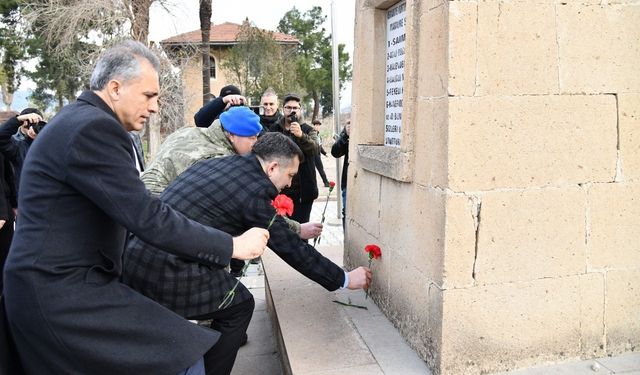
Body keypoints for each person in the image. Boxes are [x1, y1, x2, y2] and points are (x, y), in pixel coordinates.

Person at [2, 40, 269, 375]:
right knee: (183, 358)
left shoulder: (81, 120)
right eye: (148, 95)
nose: (155, 107)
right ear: (115, 88)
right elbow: (146, 215)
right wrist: (232, 245)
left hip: (60, 287)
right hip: (59, 294)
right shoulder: (94, 128)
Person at [123, 132, 372, 375]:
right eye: (290, 175)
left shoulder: (220, 163)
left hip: (136, 256)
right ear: (273, 167)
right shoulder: (254, 192)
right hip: (164, 272)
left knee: (226, 297)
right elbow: (292, 249)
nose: (289, 184)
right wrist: (345, 280)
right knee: (240, 305)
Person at [267, 93, 319, 223]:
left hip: (302, 191)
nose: (292, 111)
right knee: (281, 228)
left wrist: (301, 136)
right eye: (288, 107)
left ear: (300, 110)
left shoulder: (308, 130)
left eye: (295, 108)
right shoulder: (274, 129)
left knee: (302, 229)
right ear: (283, 109)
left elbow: (315, 149)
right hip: (280, 189)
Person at [0, 108, 46, 198]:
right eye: (28, 126)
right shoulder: (18, 147)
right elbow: (1, 137)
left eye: (36, 125)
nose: (31, 129)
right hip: (26, 199)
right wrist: (18, 120)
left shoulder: (51, 145)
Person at [331, 118, 350, 228]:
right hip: (347, 183)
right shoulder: (345, 136)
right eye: (348, 122)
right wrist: (346, 136)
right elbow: (335, 152)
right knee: (346, 214)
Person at [312, 119, 331, 187]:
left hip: (318, 155)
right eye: (316, 125)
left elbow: (320, 146)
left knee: (320, 169)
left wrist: (325, 153)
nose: (318, 127)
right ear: (313, 126)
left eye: (319, 125)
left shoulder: (319, 136)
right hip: (313, 155)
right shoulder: (311, 134)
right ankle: (325, 182)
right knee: (314, 170)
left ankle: (325, 182)